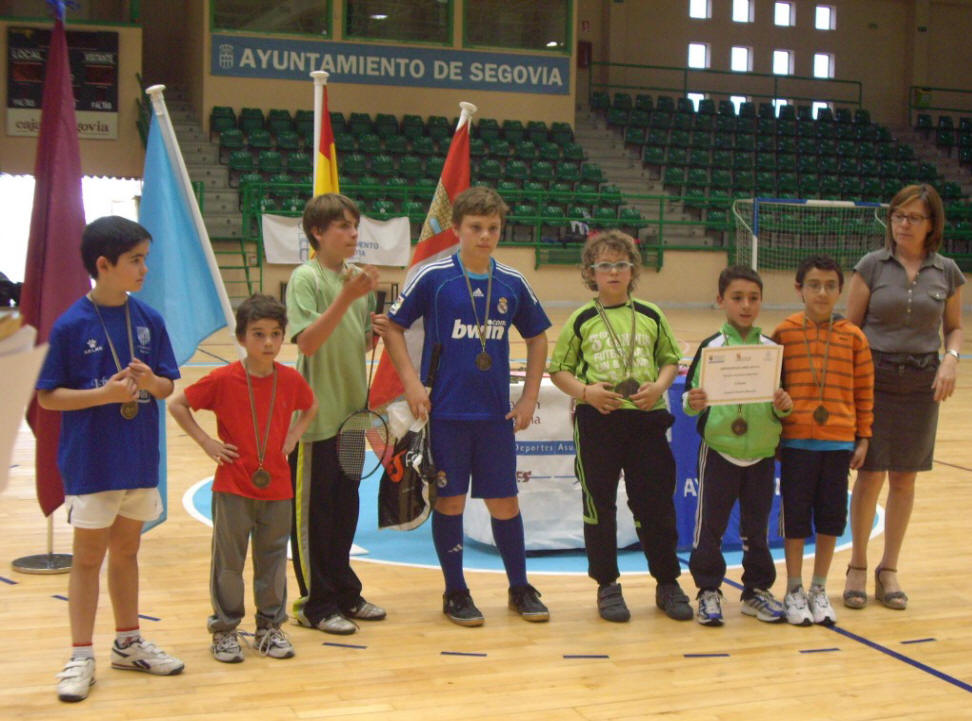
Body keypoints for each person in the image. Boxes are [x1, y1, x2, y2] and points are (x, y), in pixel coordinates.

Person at [383, 186, 551, 626]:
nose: (485, 236)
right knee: (451, 502)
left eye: (493, 228)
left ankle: (519, 587)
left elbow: (538, 337)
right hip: (447, 415)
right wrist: (412, 383)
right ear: (456, 229)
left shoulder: (512, 282)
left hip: (495, 416)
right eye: (476, 227)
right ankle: (455, 592)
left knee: (505, 505)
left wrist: (529, 396)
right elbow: (394, 328)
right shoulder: (433, 277)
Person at [36, 217, 184, 702]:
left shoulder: (149, 320)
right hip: (93, 462)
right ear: (104, 265)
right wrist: (103, 394)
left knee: (127, 552)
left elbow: (167, 386)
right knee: (87, 558)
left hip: (138, 459)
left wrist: (150, 381)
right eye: (135, 260)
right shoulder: (71, 325)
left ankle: (128, 641)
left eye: (145, 258)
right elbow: (49, 399)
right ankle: (81, 654)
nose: (145, 268)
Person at [550, 230, 693, 623]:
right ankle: (607, 585)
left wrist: (660, 386)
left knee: (656, 505)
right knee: (600, 504)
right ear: (590, 273)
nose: (613, 272)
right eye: (604, 265)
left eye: (621, 264)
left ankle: (667, 582)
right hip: (599, 422)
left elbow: (669, 359)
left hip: (647, 420)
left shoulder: (650, 314)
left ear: (633, 271)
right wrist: (586, 392)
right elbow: (558, 370)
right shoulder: (580, 320)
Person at [169, 294, 317, 662]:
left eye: (275, 334)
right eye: (258, 334)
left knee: (271, 561)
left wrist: (294, 434)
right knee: (229, 563)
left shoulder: (290, 378)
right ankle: (224, 630)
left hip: (278, 487)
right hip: (233, 487)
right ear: (241, 337)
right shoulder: (224, 379)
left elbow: (310, 406)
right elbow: (177, 404)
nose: (268, 343)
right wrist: (206, 442)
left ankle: (269, 628)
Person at [843, 184, 964, 610]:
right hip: (874, 378)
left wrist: (951, 359)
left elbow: (954, 327)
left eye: (913, 218)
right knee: (871, 473)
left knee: (905, 478)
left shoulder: (947, 271)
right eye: (897, 216)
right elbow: (849, 326)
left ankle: (888, 569)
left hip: (921, 382)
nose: (903, 224)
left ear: (932, 225)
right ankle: (857, 564)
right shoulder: (871, 266)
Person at [285, 193, 385, 635]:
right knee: (313, 514)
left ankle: (345, 591)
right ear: (317, 233)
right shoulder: (305, 279)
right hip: (315, 418)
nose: (353, 234)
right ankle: (314, 602)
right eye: (343, 226)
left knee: (345, 510)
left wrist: (375, 332)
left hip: (352, 415)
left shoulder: (356, 282)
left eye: (355, 226)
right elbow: (307, 342)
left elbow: (355, 340)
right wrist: (347, 297)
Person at [683, 265, 792, 626]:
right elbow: (689, 398)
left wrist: (783, 406)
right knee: (710, 526)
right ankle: (709, 590)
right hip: (720, 450)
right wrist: (693, 402)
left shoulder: (772, 350)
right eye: (737, 298)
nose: (746, 305)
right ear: (720, 301)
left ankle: (756, 591)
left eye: (754, 298)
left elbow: (784, 401)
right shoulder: (710, 348)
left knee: (756, 527)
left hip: (760, 453)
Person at [772, 256, 873, 626]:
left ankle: (819, 588)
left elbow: (864, 391)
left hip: (838, 444)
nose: (822, 292)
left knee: (830, 519)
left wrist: (863, 437)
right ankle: (794, 588)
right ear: (799, 289)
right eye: (813, 285)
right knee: (796, 519)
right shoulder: (784, 333)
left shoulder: (854, 337)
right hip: (797, 444)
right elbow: (773, 387)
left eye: (830, 286)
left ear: (840, 291)